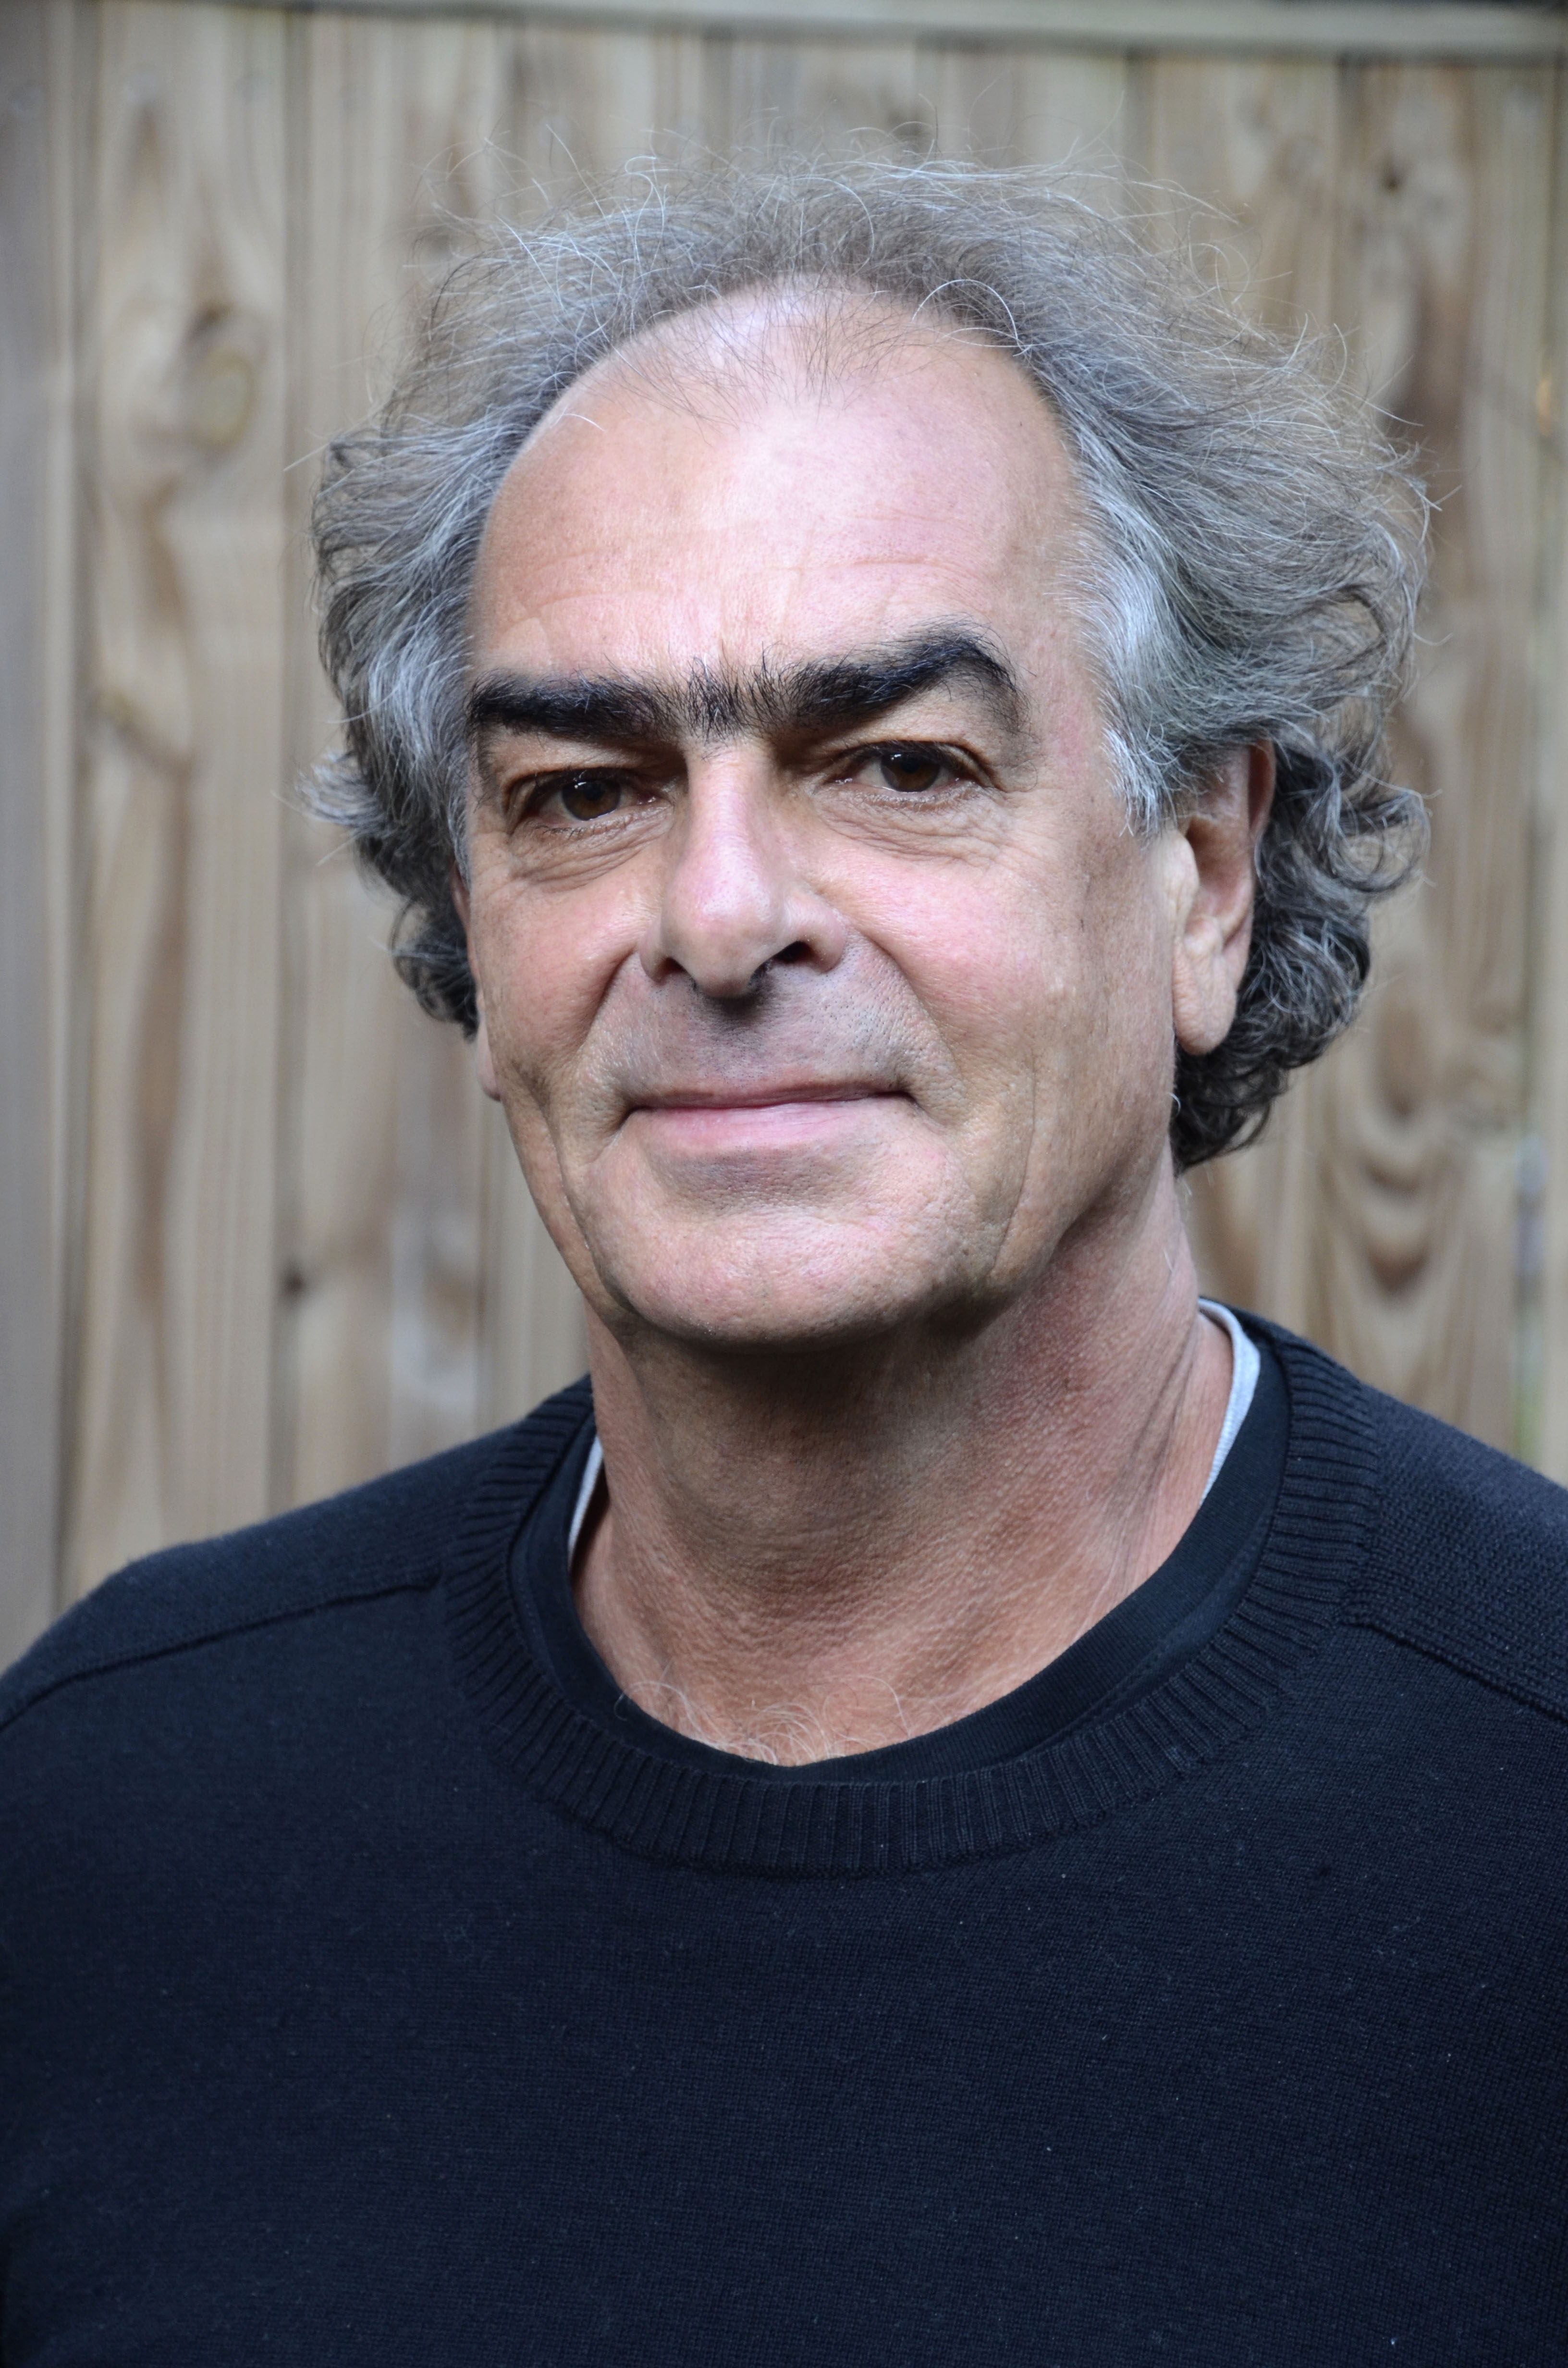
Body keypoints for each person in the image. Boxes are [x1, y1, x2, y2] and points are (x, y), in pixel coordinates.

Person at [2, 160, 1564, 2363]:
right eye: (581, 789)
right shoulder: (105, 1821)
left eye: (898, 762)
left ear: (1205, 870)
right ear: (472, 911)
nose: (720, 918)